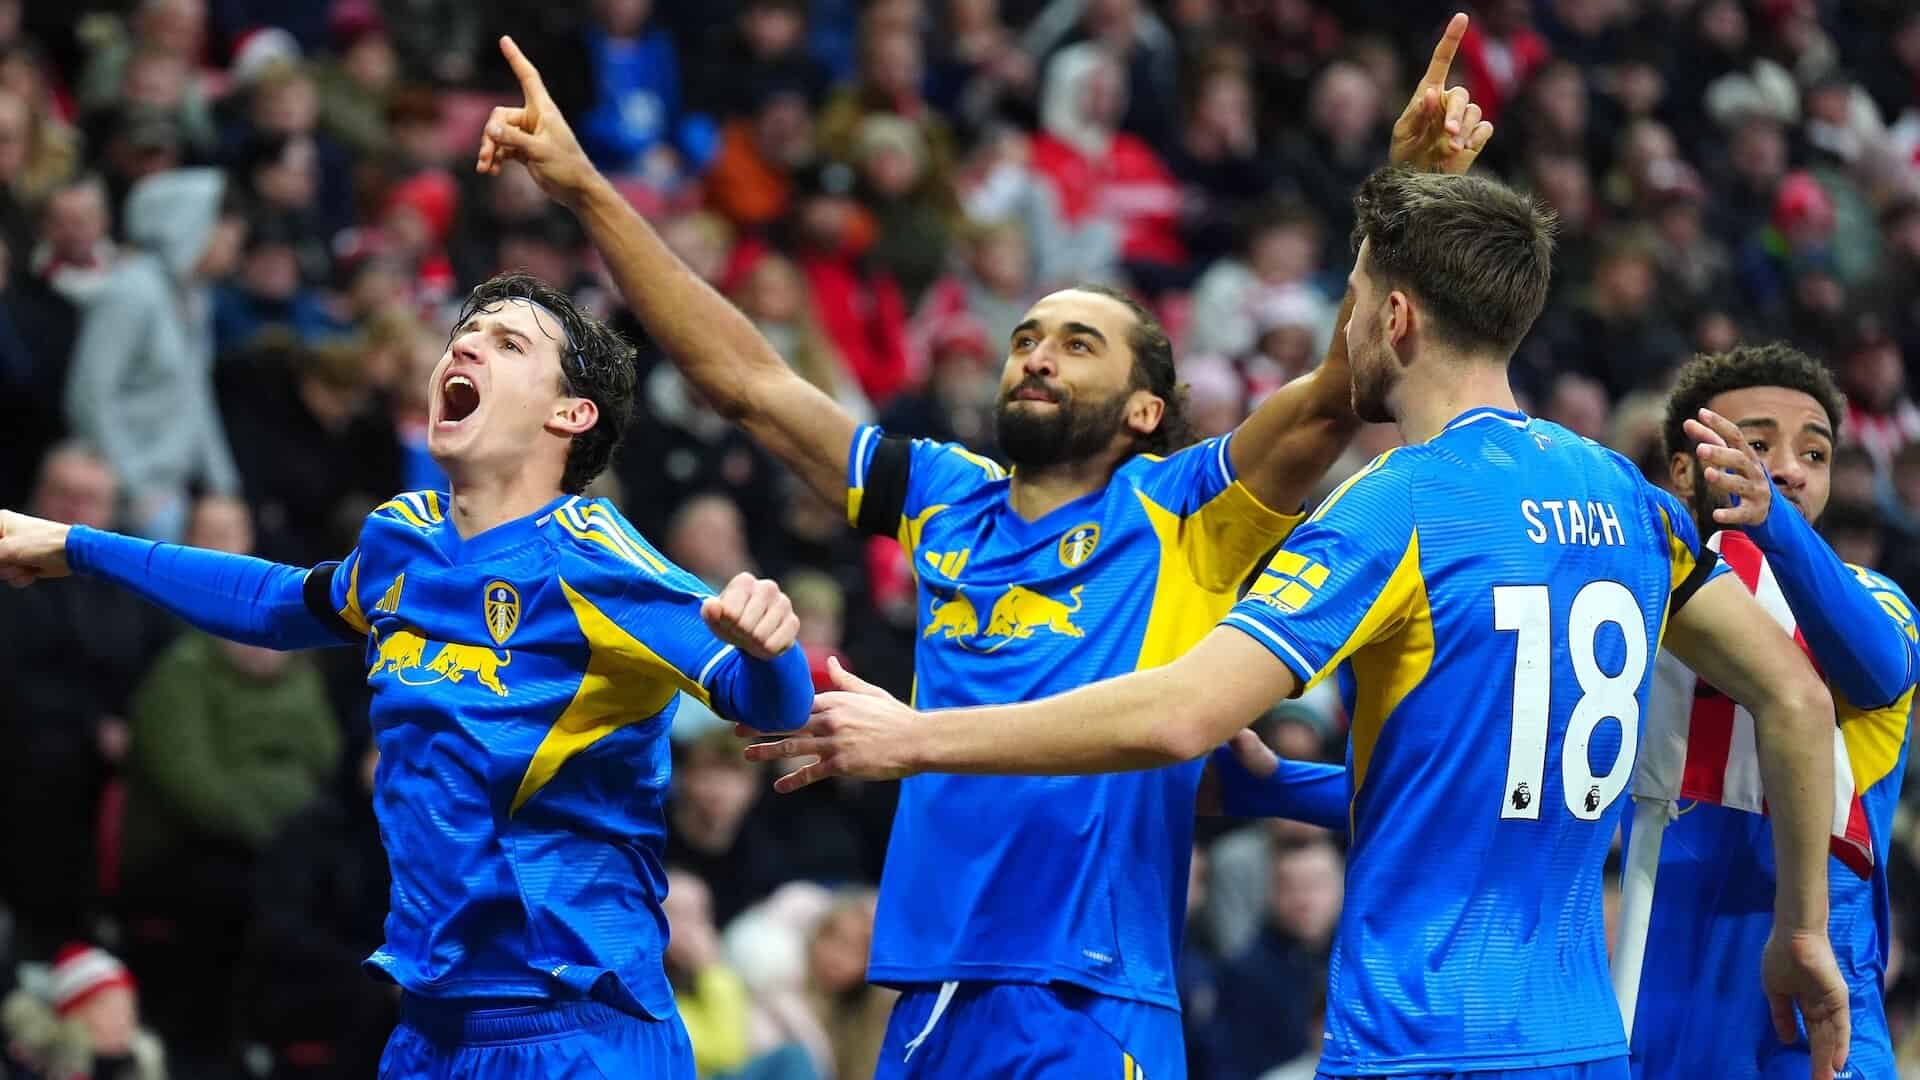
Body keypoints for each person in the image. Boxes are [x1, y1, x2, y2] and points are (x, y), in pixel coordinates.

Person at [474, 17, 1492, 1077]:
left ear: (1147, 409)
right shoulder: (944, 500)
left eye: (1076, 344)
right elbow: (751, 386)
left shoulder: (1189, 506)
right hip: (928, 987)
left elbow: (1337, 396)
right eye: (1026, 339)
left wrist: (1401, 200)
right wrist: (587, 187)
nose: (1037, 357)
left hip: (1087, 994)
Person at [748, 165, 1857, 1079]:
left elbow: (1181, 715)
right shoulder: (1630, 499)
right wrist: (1802, 929)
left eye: (1351, 299)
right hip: (1577, 1041)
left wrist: (917, 737)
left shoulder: (1398, 505)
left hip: (1418, 1037)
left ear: (1395, 317)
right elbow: (1799, 699)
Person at [0, 269, 817, 1078]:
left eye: (508, 342)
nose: (466, 342)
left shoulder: (603, 564)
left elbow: (770, 707)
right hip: (429, 1030)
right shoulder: (404, 541)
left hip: (579, 1036)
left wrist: (773, 650)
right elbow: (277, 602)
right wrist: (75, 547)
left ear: (571, 414)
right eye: (466, 331)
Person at [1620, 345, 1918, 1080]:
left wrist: (1775, 528)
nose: (1786, 469)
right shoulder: (1631, 614)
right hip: (1652, 1009)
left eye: (1813, 453)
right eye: (1755, 445)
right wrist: (1293, 785)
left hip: (1808, 1015)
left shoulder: (1873, 597)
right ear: (1684, 467)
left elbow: (1876, 669)